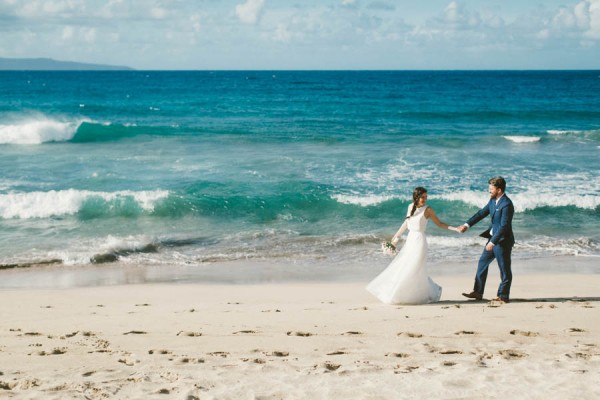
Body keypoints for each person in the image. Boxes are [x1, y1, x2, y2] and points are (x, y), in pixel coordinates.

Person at [366, 187, 459, 305]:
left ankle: (418, 295)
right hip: (410, 240)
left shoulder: (428, 209)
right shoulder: (410, 207)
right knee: (405, 267)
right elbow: (405, 224)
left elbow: (440, 224)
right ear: (416, 197)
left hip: (420, 242)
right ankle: (400, 294)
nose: (425, 199)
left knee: (415, 268)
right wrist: (395, 239)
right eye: (422, 197)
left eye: (426, 197)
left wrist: (455, 228)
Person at [459, 176, 515, 304]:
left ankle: (503, 296)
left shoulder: (507, 204)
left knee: (504, 269)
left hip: (502, 241)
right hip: (492, 239)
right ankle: (478, 292)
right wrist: (466, 225)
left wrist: (493, 241)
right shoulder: (492, 200)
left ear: (499, 190)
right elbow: (481, 214)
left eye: (491, 188)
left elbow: (504, 226)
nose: (489, 190)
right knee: (482, 263)